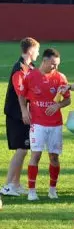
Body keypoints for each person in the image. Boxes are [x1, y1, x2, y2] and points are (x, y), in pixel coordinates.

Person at [17, 48, 71, 201]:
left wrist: (58, 106)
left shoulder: (60, 78)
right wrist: (24, 111)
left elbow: (68, 99)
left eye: (57, 64)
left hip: (55, 124)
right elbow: (21, 95)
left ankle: (52, 190)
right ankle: (32, 191)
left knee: (54, 157)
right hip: (38, 124)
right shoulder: (31, 76)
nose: (55, 67)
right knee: (36, 155)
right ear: (45, 61)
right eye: (53, 64)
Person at [2, 37, 39, 198]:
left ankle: (16, 184)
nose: (38, 53)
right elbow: (20, 93)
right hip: (17, 115)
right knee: (22, 149)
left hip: (25, 114)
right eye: (37, 50)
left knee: (23, 149)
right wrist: (24, 111)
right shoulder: (19, 68)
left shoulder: (30, 67)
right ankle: (7, 185)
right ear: (30, 51)